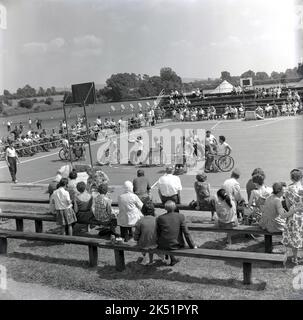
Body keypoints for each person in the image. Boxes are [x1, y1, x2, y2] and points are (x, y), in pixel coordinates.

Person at [156, 201, 197, 266]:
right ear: (174, 207)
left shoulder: (160, 218)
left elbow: (158, 232)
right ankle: (172, 259)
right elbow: (186, 232)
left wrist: (158, 243)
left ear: (165, 208)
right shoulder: (180, 216)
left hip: (163, 244)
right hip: (177, 245)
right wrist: (192, 245)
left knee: (168, 237)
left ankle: (172, 259)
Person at [282, 190, 303, 264]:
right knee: (299, 237)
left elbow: (287, 205)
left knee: (295, 238)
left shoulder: (289, 190)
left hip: (294, 215)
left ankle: (295, 258)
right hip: (300, 216)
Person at [134, 200, 158, 265]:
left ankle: (144, 256)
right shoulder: (157, 220)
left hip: (143, 244)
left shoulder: (140, 221)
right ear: (153, 210)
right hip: (155, 244)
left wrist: (136, 239)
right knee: (150, 242)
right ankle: (150, 260)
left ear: (142, 211)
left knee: (143, 241)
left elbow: (136, 236)